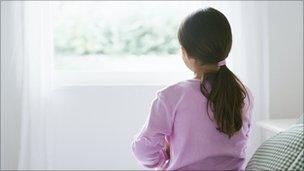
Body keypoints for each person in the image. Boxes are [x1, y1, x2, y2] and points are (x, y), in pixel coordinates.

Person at [132, 7, 253, 170]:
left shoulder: (172, 96)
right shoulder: (243, 93)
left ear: (187, 54)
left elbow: (143, 149)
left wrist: (163, 160)